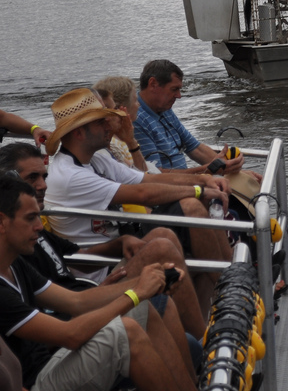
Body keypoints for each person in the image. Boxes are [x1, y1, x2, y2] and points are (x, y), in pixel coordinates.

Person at [43, 88, 232, 313]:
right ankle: (229, 295)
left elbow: (146, 179)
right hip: (105, 269)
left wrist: (202, 179)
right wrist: (198, 190)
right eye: (100, 122)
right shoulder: (70, 175)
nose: (109, 125)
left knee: (192, 224)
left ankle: (229, 291)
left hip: (123, 247)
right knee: (188, 209)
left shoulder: (95, 160)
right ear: (79, 133)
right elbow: (143, 194)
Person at [0, 176, 196, 391]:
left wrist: (148, 282)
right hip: (34, 383)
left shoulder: (15, 264)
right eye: (30, 218)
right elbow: (70, 335)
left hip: (49, 365)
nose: (39, 226)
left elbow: (77, 301)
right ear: (2, 222)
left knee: (142, 308)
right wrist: (135, 293)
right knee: (125, 332)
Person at [0, 142, 207, 340]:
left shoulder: (33, 235)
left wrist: (120, 244)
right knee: (163, 248)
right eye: (32, 178)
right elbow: (65, 327)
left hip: (85, 295)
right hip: (76, 314)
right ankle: (205, 342)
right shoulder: (15, 249)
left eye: (45, 176)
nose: (44, 185)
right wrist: (137, 290)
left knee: (163, 238)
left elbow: (78, 260)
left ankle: (209, 329)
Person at [132, 61, 244, 175]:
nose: (179, 95)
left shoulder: (164, 109)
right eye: (174, 89)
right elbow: (155, 175)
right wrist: (210, 169)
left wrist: (234, 171)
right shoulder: (136, 119)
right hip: (171, 189)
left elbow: (195, 148)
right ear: (153, 84)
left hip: (187, 183)